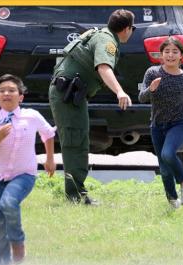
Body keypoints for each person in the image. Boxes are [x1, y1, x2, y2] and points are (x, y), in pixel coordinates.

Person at [49, 9, 134, 204]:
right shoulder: (107, 41)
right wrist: (119, 91)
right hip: (67, 94)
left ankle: (76, 192)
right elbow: (103, 67)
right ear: (127, 29)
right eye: (132, 28)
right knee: (75, 142)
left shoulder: (98, 33)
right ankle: (75, 195)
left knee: (77, 140)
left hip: (69, 94)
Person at [0, 74, 56, 265]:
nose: (7, 93)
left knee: (9, 202)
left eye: (12, 90)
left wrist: (50, 159)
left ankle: (17, 242)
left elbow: (48, 134)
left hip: (25, 175)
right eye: (2, 91)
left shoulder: (32, 116)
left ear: (21, 97)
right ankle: (3, 262)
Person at [138, 37, 183, 209]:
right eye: (167, 52)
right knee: (164, 169)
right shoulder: (152, 73)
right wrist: (151, 89)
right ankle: (173, 202)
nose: (170, 55)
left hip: (178, 124)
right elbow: (142, 97)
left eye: (174, 52)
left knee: (168, 154)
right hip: (157, 126)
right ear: (161, 55)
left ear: (182, 56)